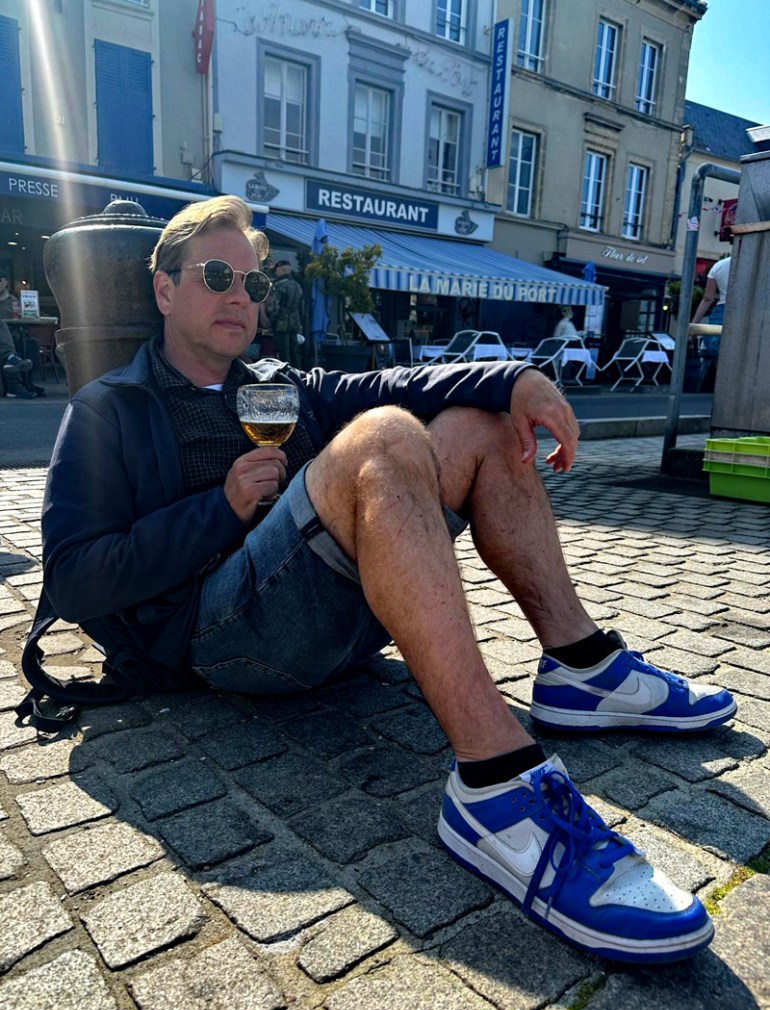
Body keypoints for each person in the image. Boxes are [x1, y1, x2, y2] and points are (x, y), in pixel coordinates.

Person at [38, 196, 735, 964]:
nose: (240, 296)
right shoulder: (110, 407)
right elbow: (72, 580)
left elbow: (399, 382)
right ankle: (498, 785)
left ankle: (581, 668)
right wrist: (219, 509)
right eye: (216, 276)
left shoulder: (278, 383)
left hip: (330, 613)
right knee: (382, 439)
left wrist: (515, 378)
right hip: (217, 637)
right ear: (165, 289)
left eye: (255, 284)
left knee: (478, 425)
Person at [692, 254, 731, 392]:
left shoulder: (719, 266)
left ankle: (722, 385)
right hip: (748, 309)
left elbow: (708, 298)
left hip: (721, 310)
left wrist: (694, 325)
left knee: (718, 349)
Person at [266, 258, 304, 367]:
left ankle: (287, 375)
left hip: (281, 325)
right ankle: (298, 374)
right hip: (294, 324)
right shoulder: (297, 286)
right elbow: (301, 308)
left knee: (284, 353)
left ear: (281, 270)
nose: (275, 273)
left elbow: (275, 307)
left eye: (276, 270)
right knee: (294, 352)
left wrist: (270, 321)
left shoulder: (278, 285)